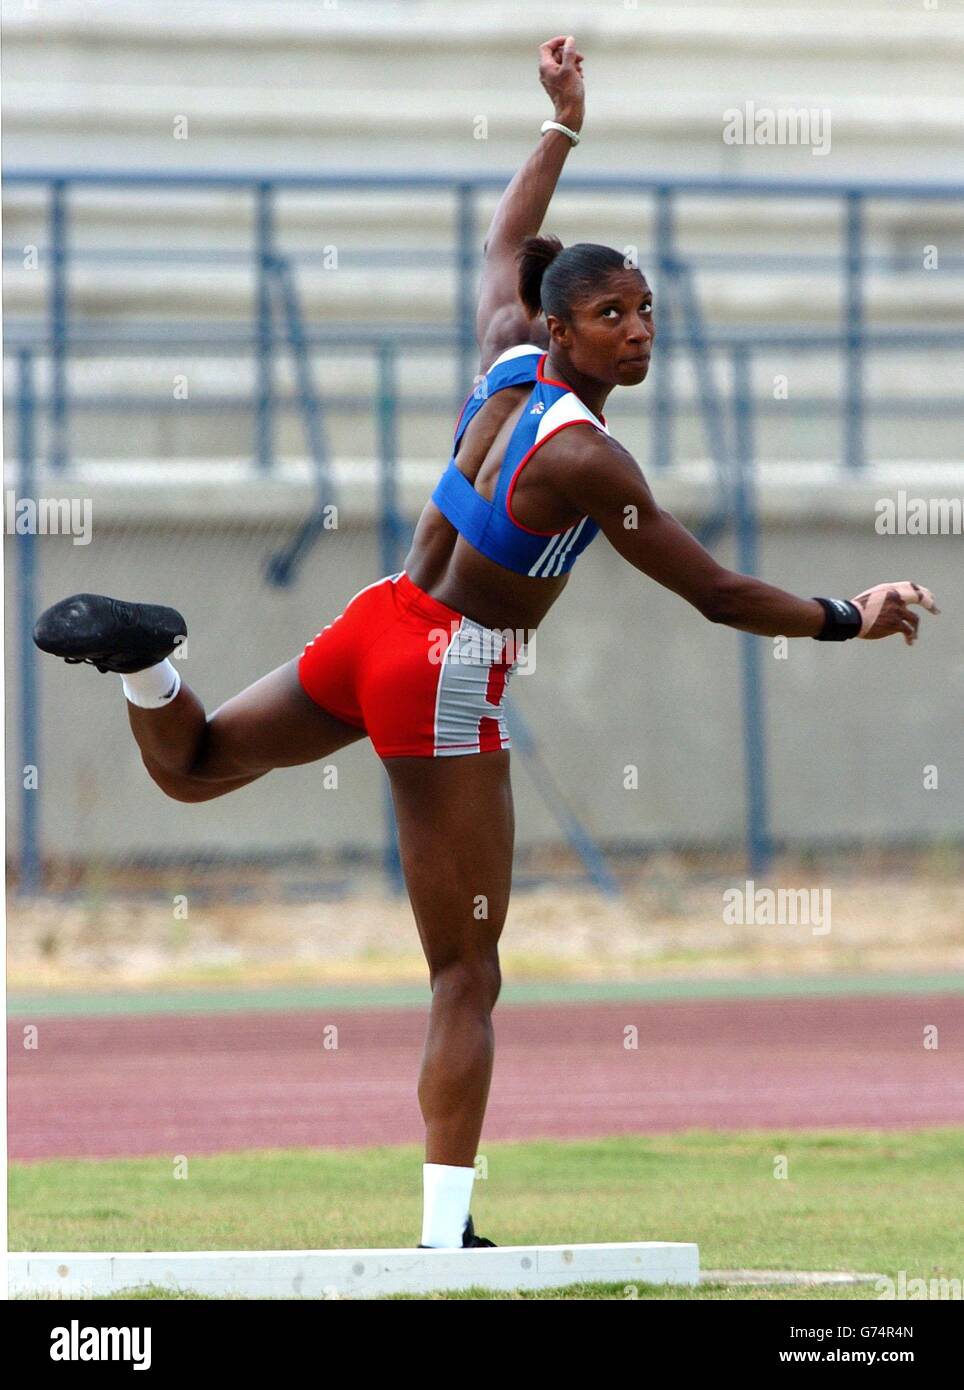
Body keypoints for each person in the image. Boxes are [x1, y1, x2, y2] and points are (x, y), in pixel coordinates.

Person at [33, 36, 938, 1250]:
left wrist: (562, 127)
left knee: (193, 764)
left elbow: (500, 239)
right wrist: (849, 612)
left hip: (375, 622)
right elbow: (716, 595)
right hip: (445, 668)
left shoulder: (502, 362)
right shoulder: (586, 455)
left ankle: (145, 659)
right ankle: (443, 1237)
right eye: (611, 314)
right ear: (560, 328)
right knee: (467, 973)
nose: (637, 332)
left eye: (646, 310)